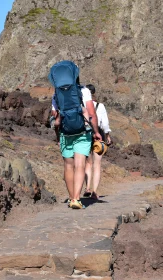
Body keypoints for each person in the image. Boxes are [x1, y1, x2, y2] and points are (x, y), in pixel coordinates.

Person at [49, 64, 102, 209]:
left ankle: (72, 197)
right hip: (82, 132)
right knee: (80, 165)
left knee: (68, 166)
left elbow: (55, 117)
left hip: (65, 134)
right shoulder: (84, 91)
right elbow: (92, 114)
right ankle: (76, 199)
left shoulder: (56, 94)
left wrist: (58, 137)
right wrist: (96, 132)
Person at [83, 84, 112, 200]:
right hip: (98, 134)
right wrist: (108, 135)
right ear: (94, 93)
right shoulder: (100, 106)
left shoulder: (82, 105)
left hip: (85, 133)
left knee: (88, 163)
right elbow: (104, 124)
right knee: (97, 164)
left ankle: (87, 188)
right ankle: (94, 191)